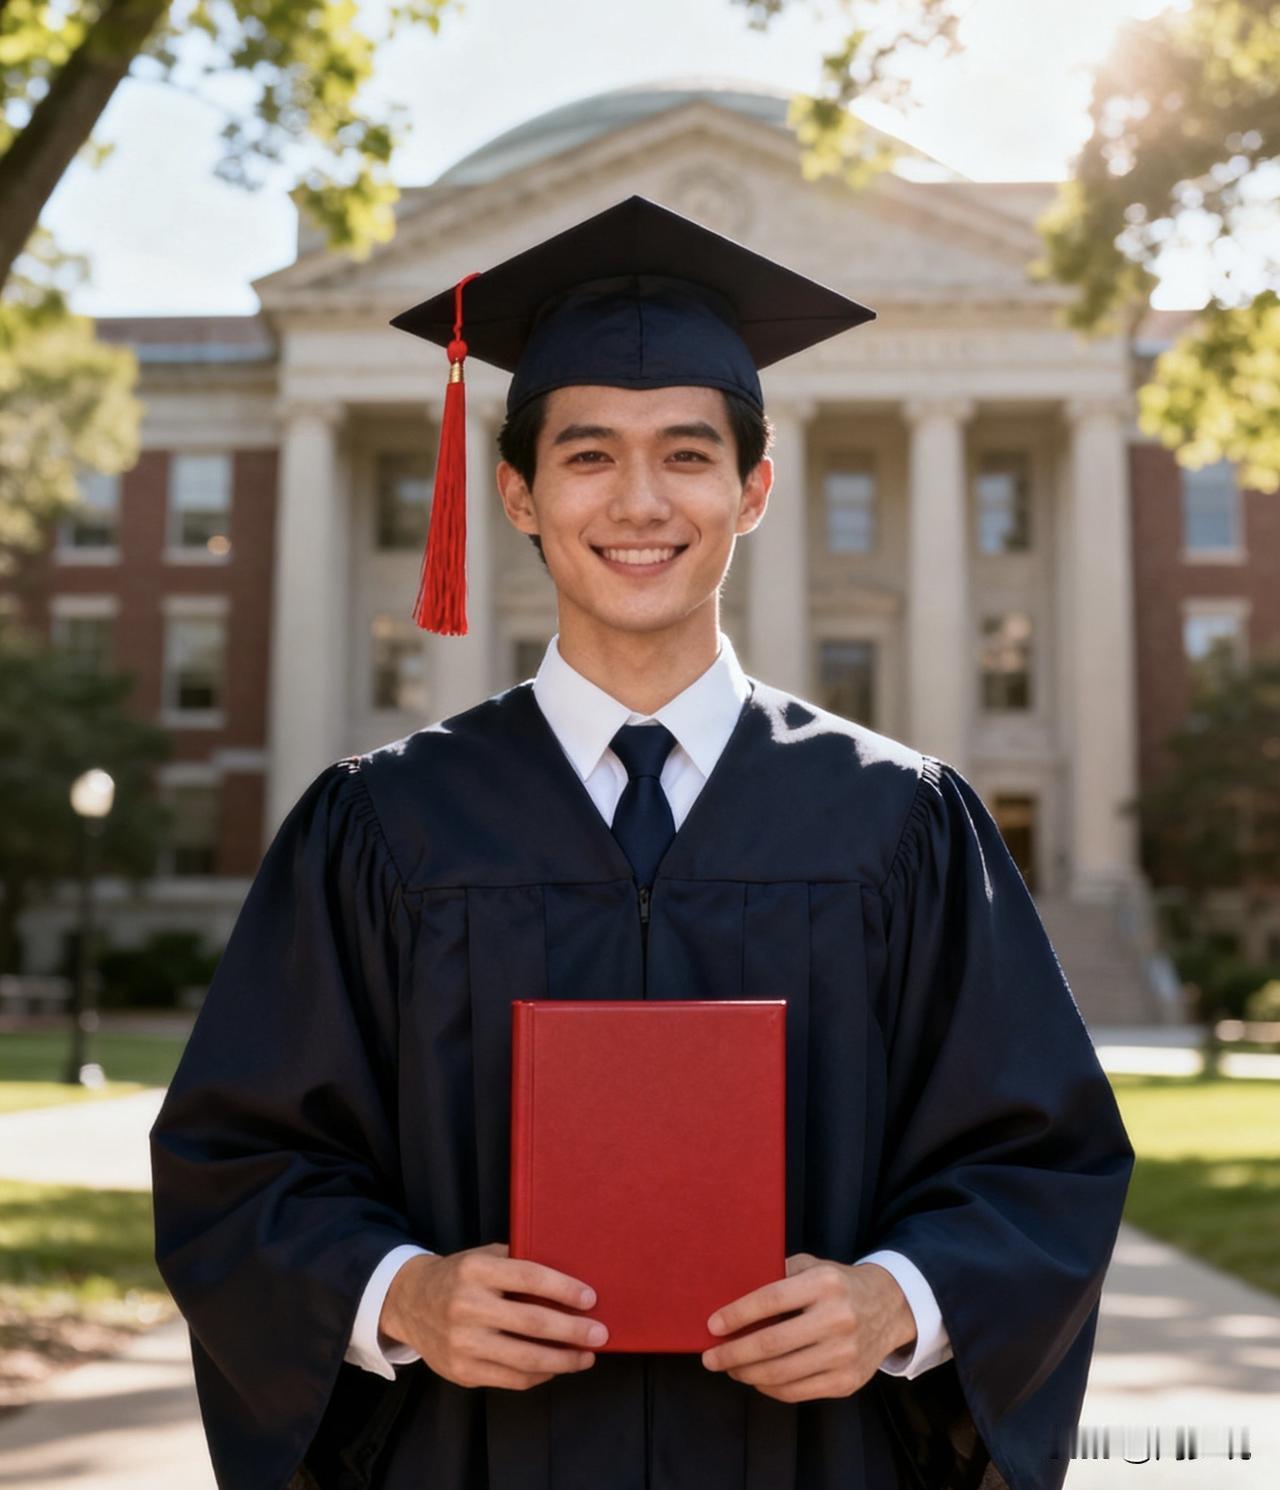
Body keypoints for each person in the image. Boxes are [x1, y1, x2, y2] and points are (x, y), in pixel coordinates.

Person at [150, 195, 1134, 1490]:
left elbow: (1041, 1156)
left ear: (754, 487)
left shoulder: (902, 820)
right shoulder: (382, 823)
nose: (639, 501)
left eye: (685, 452)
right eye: (588, 454)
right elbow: (240, 1160)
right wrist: (401, 1293)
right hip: (471, 1459)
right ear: (517, 491)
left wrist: (901, 1299)